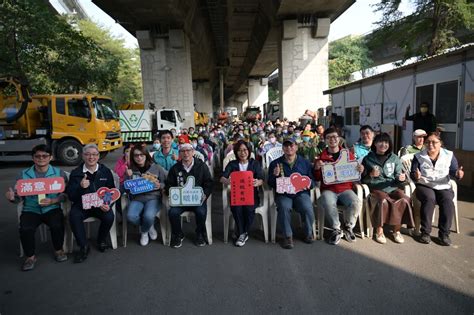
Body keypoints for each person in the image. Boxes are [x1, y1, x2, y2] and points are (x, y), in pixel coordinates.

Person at [5, 144, 68, 271]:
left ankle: (58, 250)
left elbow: (66, 195)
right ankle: (30, 256)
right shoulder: (23, 175)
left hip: (52, 208)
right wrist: (12, 197)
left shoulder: (59, 173)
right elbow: (18, 197)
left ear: (50, 157)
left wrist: (53, 200)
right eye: (37, 156)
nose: (41, 158)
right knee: (25, 228)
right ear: (33, 158)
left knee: (57, 224)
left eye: (45, 156)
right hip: (31, 210)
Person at [410, 132, 464, 246]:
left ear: (440, 144)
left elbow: (454, 171)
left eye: (434, 142)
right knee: (429, 199)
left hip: (443, 185)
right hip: (425, 184)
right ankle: (425, 233)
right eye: (428, 142)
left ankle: (444, 234)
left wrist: (458, 174)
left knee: (448, 200)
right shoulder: (419, 156)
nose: (430, 145)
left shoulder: (449, 155)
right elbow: (413, 173)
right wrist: (416, 175)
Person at [66, 143, 116, 263]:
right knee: (74, 216)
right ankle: (83, 246)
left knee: (109, 216)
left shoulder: (105, 171)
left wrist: (107, 203)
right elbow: (71, 195)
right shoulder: (76, 173)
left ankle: (101, 240)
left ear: (98, 156)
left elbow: (111, 190)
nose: (91, 157)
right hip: (82, 204)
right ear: (83, 156)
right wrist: (80, 187)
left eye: (94, 154)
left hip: (100, 205)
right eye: (87, 154)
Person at [361, 133, 414, 244]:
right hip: (376, 188)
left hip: (392, 187)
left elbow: (399, 176)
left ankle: (397, 231)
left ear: (389, 145)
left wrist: (400, 178)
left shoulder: (394, 158)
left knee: (405, 199)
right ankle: (379, 230)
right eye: (380, 142)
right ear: (375, 143)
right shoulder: (368, 159)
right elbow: (362, 180)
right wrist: (370, 175)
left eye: (386, 142)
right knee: (382, 200)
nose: (383, 144)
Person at [314, 128, 364, 245]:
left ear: (339, 138)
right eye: (329, 137)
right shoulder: (321, 157)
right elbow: (316, 178)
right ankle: (336, 228)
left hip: (346, 189)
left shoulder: (348, 154)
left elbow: (355, 171)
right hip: (329, 189)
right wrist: (316, 168)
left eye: (335, 137)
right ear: (325, 140)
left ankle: (348, 226)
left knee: (356, 202)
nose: (332, 139)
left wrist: (360, 169)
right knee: (327, 201)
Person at [268, 138, 316, 249]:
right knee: (284, 207)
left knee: (307, 207)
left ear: (296, 147)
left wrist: (308, 184)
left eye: (291, 145)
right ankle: (288, 236)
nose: (289, 148)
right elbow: (270, 183)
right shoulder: (275, 163)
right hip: (284, 194)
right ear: (283, 148)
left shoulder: (305, 162)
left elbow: (312, 181)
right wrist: (275, 176)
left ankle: (308, 233)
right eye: (286, 146)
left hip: (300, 193)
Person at [165, 143, 213, 248]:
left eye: (188, 151)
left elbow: (209, 183)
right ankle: (178, 234)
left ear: (193, 152)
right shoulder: (175, 168)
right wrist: (171, 193)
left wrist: (205, 194)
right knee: (172, 212)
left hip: (197, 200)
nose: (186, 153)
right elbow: (169, 184)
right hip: (181, 201)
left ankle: (199, 233)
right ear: (180, 154)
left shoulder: (202, 166)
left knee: (201, 212)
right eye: (183, 151)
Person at [220, 140, 264, 246]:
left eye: (245, 150)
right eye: (239, 150)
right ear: (236, 152)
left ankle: (241, 233)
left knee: (249, 209)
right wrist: (227, 181)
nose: (242, 152)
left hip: (252, 195)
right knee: (236, 208)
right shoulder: (232, 164)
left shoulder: (255, 163)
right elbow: (222, 178)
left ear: (249, 151)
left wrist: (257, 182)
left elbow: (262, 179)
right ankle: (243, 233)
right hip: (237, 195)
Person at [125, 146, 166, 246]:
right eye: (136, 155)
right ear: (133, 157)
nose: (139, 157)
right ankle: (148, 226)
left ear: (146, 155)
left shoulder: (156, 167)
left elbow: (166, 182)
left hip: (153, 197)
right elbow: (126, 189)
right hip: (137, 198)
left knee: (148, 216)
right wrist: (128, 176)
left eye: (141, 155)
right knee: (131, 216)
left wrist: (160, 185)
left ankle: (144, 232)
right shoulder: (130, 170)